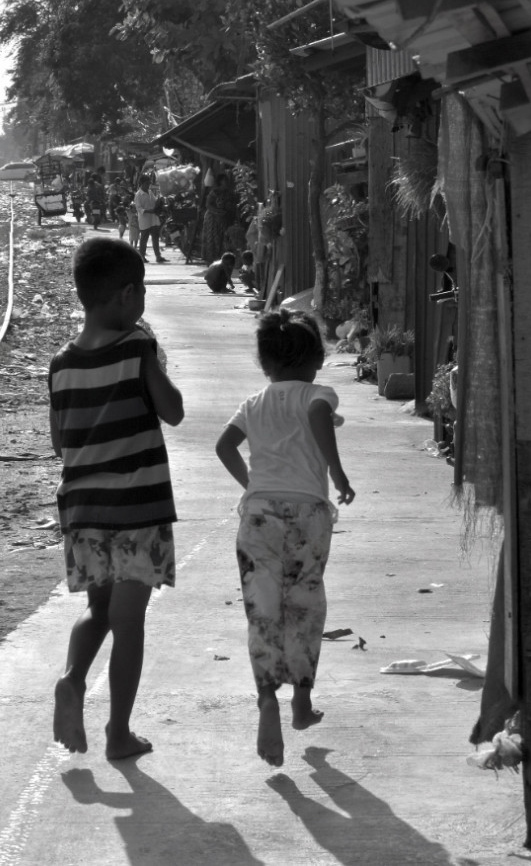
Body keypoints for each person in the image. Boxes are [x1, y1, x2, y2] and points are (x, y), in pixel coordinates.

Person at [49, 237, 185, 759]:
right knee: (130, 624)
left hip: (82, 510)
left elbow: (60, 440)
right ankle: (118, 732)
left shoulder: (61, 363)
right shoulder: (136, 349)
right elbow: (171, 411)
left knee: (99, 611)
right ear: (127, 294)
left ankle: (71, 678)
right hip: (137, 508)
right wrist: (153, 356)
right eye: (144, 289)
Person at [213, 310, 355, 768]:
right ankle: (301, 701)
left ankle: (267, 700)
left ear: (265, 363)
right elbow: (316, 414)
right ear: (315, 360)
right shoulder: (319, 394)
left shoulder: (253, 403)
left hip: (258, 517)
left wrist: (251, 485)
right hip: (309, 515)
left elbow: (223, 446)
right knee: (305, 603)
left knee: (263, 609)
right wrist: (335, 469)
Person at [134, 175, 166, 262]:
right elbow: (139, 208)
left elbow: (155, 202)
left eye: (149, 183)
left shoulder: (150, 192)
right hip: (145, 220)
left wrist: (160, 202)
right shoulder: (138, 195)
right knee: (144, 239)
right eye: (146, 183)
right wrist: (149, 211)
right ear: (142, 184)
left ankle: (158, 256)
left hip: (153, 219)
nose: (148, 185)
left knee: (155, 238)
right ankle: (142, 256)